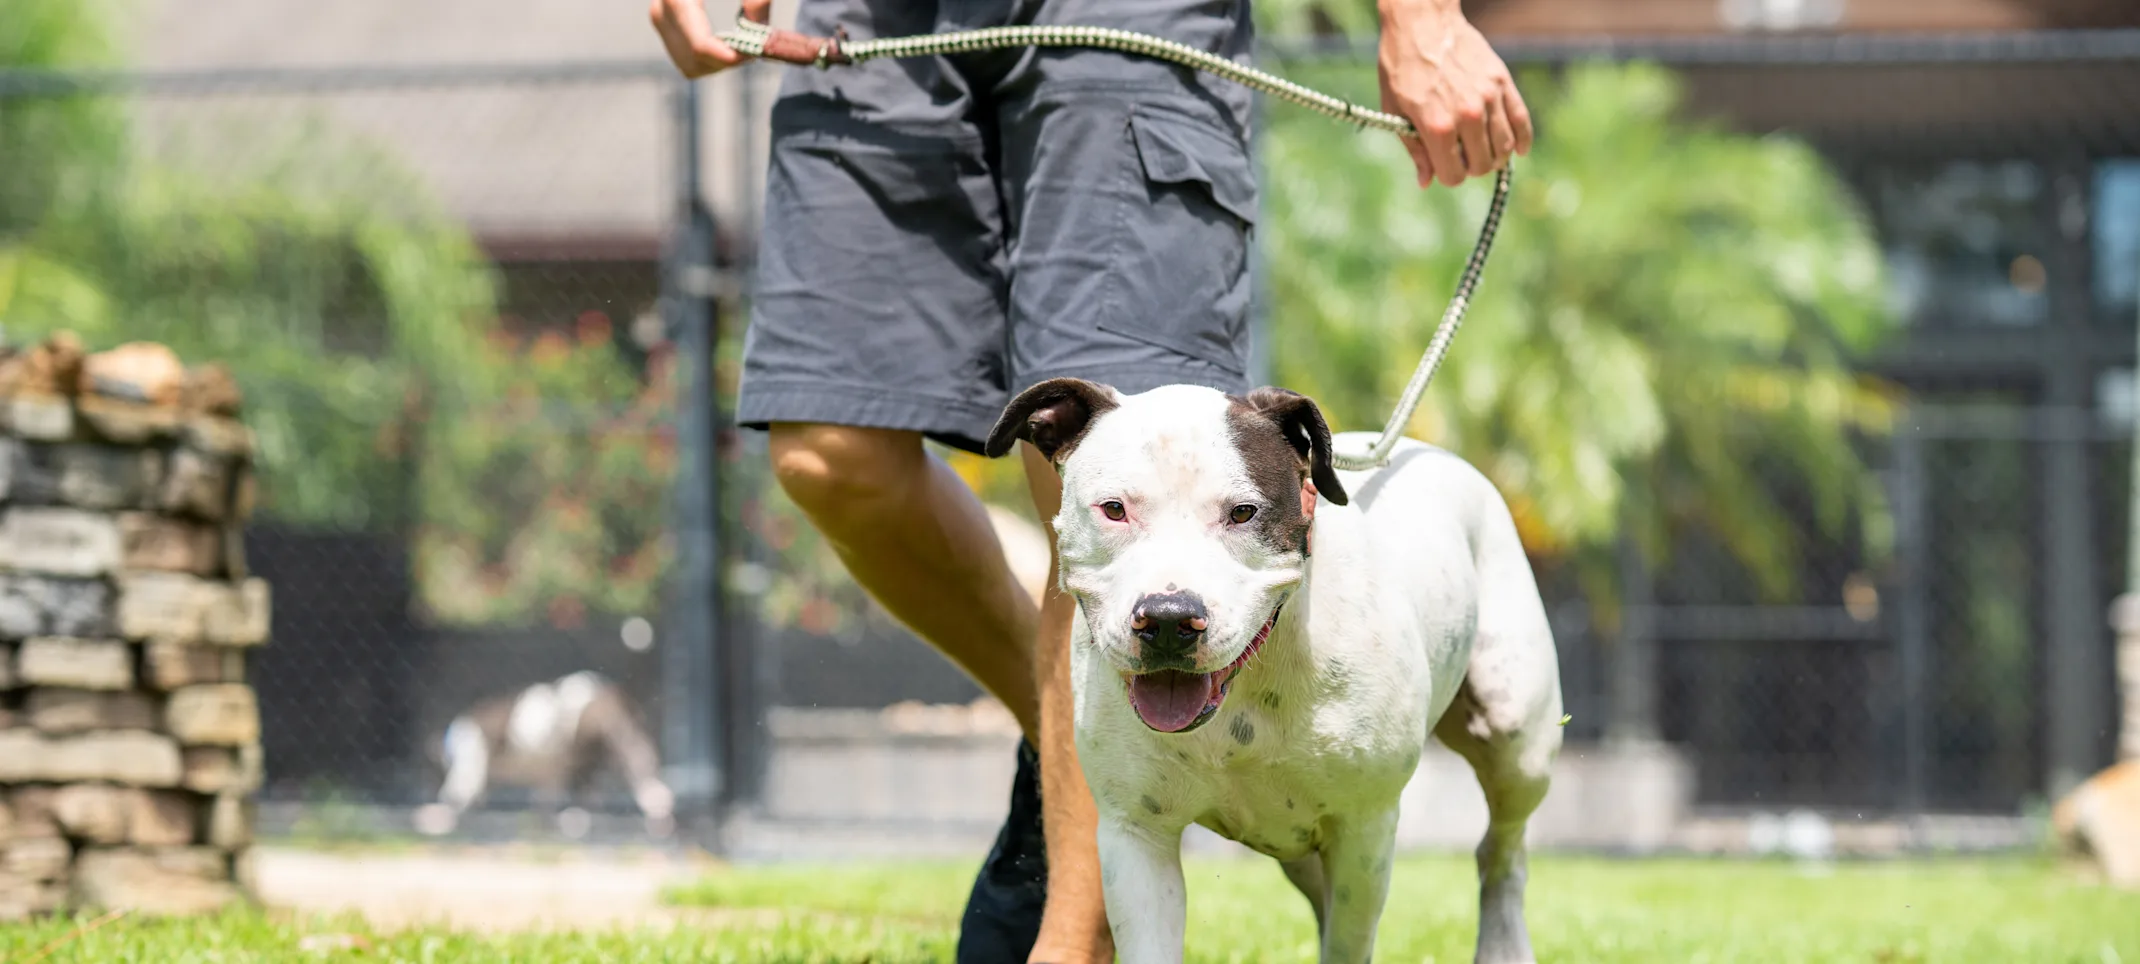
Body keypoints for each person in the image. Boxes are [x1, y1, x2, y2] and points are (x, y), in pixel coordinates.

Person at [647, 0, 1531, 960]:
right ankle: (1091, 761)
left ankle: (1073, 938)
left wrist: (1421, 14)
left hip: (1126, 17)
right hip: (879, 20)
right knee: (829, 454)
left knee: (1126, 487)